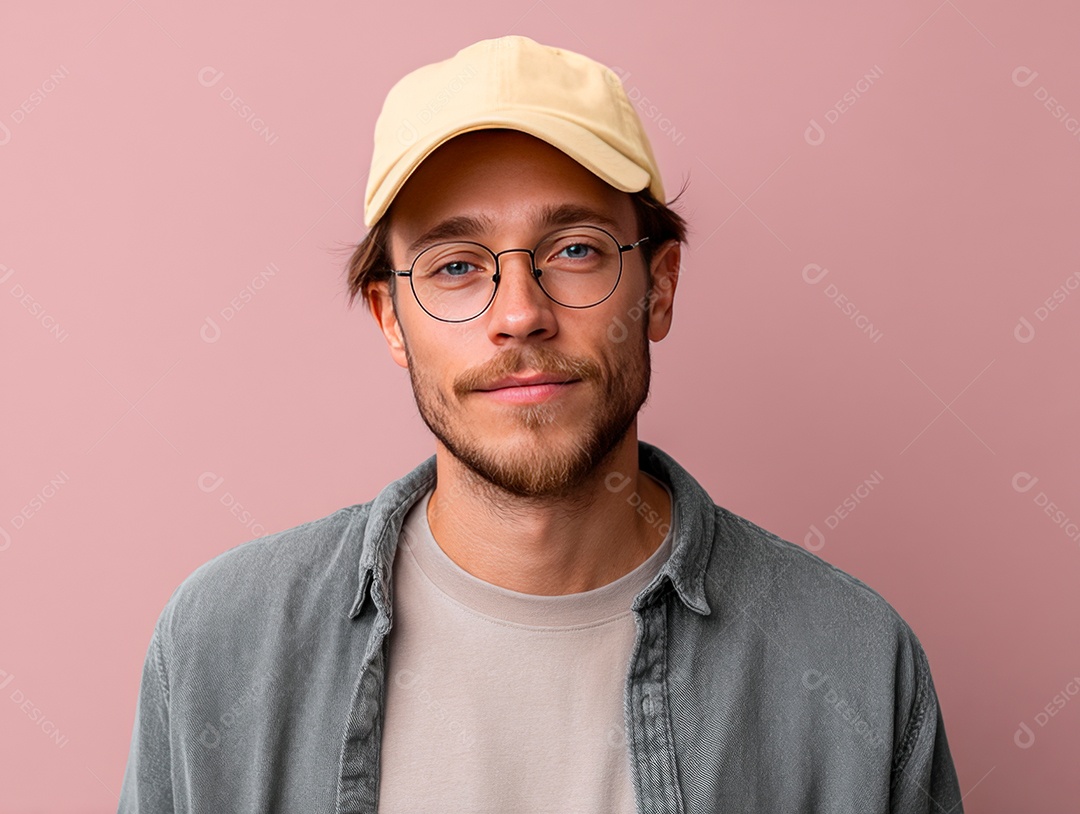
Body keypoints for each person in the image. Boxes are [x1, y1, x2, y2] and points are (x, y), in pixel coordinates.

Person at [118, 35, 964, 813]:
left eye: (576, 250)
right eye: (456, 266)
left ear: (659, 289)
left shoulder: (854, 663)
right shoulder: (218, 649)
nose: (519, 315)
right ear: (389, 319)